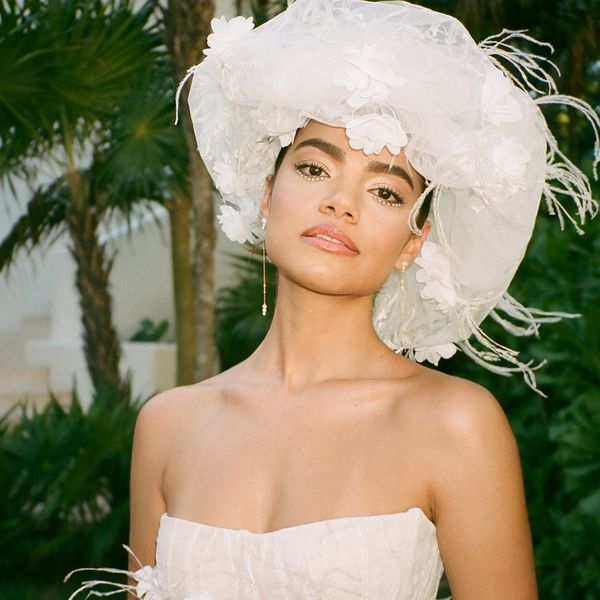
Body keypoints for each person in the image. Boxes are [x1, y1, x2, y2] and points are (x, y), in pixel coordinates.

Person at [66, 0, 599, 598]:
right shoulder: (167, 425)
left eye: (385, 192)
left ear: (412, 241)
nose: (341, 204)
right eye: (317, 169)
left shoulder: (456, 426)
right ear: (267, 193)